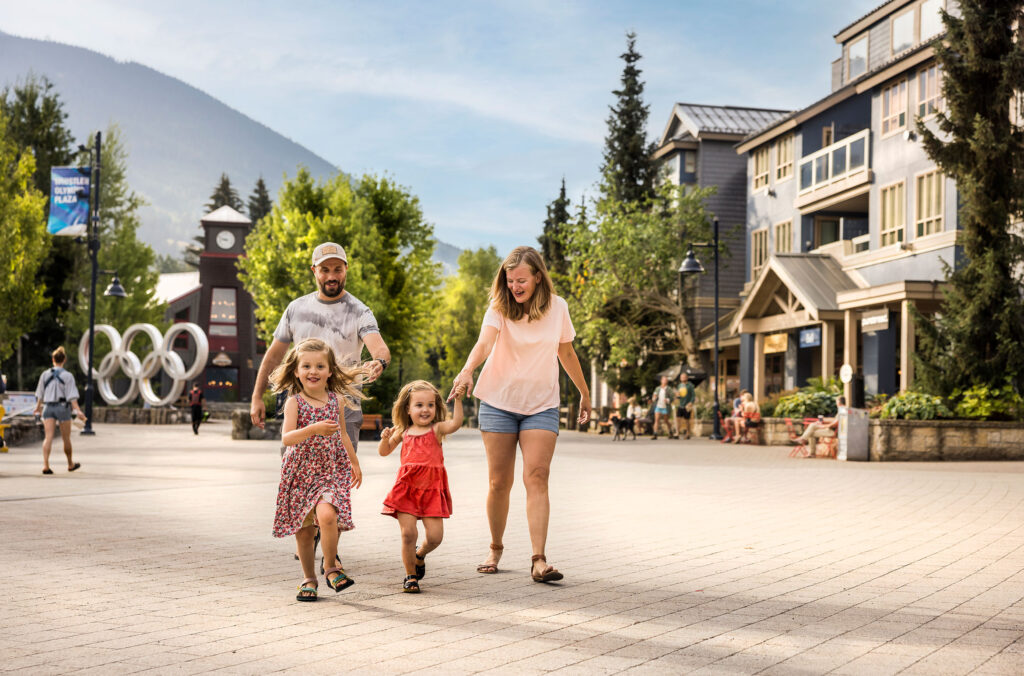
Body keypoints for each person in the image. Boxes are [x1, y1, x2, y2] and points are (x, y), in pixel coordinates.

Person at [450, 246, 591, 583]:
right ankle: (495, 548)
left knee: (537, 476)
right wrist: (468, 369)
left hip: (541, 405)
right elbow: (485, 343)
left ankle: (539, 560)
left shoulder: (558, 309)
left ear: (538, 277)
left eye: (521, 280)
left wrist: (585, 393)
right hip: (498, 402)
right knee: (500, 482)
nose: (515, 286)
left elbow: (566, 351)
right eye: (510, 280)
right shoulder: (499, 307)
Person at [249, 242, 390, 569]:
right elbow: (274, 354)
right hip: (297, 409)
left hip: (343, 407)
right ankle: (308, 542)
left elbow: (377, 345)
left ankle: (329, 551)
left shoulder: (359, 311)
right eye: (324, 269)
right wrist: (258, 395)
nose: (331, 275)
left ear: (345, 270)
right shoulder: (296, 309)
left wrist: (379, 362)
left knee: (337, 479)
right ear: (315, 271)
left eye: (337, 269)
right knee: (298, 480)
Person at [270, 338, 364, 601]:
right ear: (297, 371)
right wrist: (312, 429)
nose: (313, 371)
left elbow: (344, 435)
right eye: (307, 366)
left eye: (320, 366)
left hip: (328, 471)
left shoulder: (337, 401)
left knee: (328, 515)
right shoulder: (294, 403)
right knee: (305, 529)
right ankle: (308, 579)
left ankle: (332, 567)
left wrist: (354, 462)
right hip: (299, 472)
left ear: (330, 370)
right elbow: (287, 438)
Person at [378, 380, 463, 593]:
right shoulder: (403, 431)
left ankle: (419, 555)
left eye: (430, 405)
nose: (425, 410)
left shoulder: (437, 429)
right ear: (408, 409)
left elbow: (456, 423)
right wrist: (384, 439)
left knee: (435, 537)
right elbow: (384, 451)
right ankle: (410, 576)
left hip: (432, 490)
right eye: (419, 405)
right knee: (408, 534)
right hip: (406, 489)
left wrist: (459, 401)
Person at [32, 347, 87, 475]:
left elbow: (39, 394)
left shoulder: (45, 375)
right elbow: (72, 396)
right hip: (62, 407)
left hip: (48, 407)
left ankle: (46, 465)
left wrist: (37, 407)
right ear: (64, 360)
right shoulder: (68, 376)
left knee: (48, 437)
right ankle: (70, 464)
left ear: (53, 360)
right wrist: (78, 411)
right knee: (66, 438)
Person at [651, 376, 677, 440]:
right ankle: (655, 434)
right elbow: (654, 396)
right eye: (664, 380)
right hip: (658, 406)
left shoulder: (669, 389)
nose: (665, 381)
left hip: (666, 407)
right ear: (661, 381)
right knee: (656, 420)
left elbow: (672, 398)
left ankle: (670, 431)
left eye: (666, 380)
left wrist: (668, 400)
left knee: (666, 420)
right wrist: (654, 398)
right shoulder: (657, 388)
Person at [676, 372, 696, 440]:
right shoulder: (679, 385)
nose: (683, 378)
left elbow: (693, 395)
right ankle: (677, 433)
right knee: (678, 419)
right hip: (680, 405)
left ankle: (688, 433)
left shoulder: (690, 385)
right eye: (681, 377)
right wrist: (677, 396)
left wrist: (691, 402)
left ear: (687, 378)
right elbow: (679, 396)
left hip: (687, 406)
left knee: (687, 420)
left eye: (684, 377)